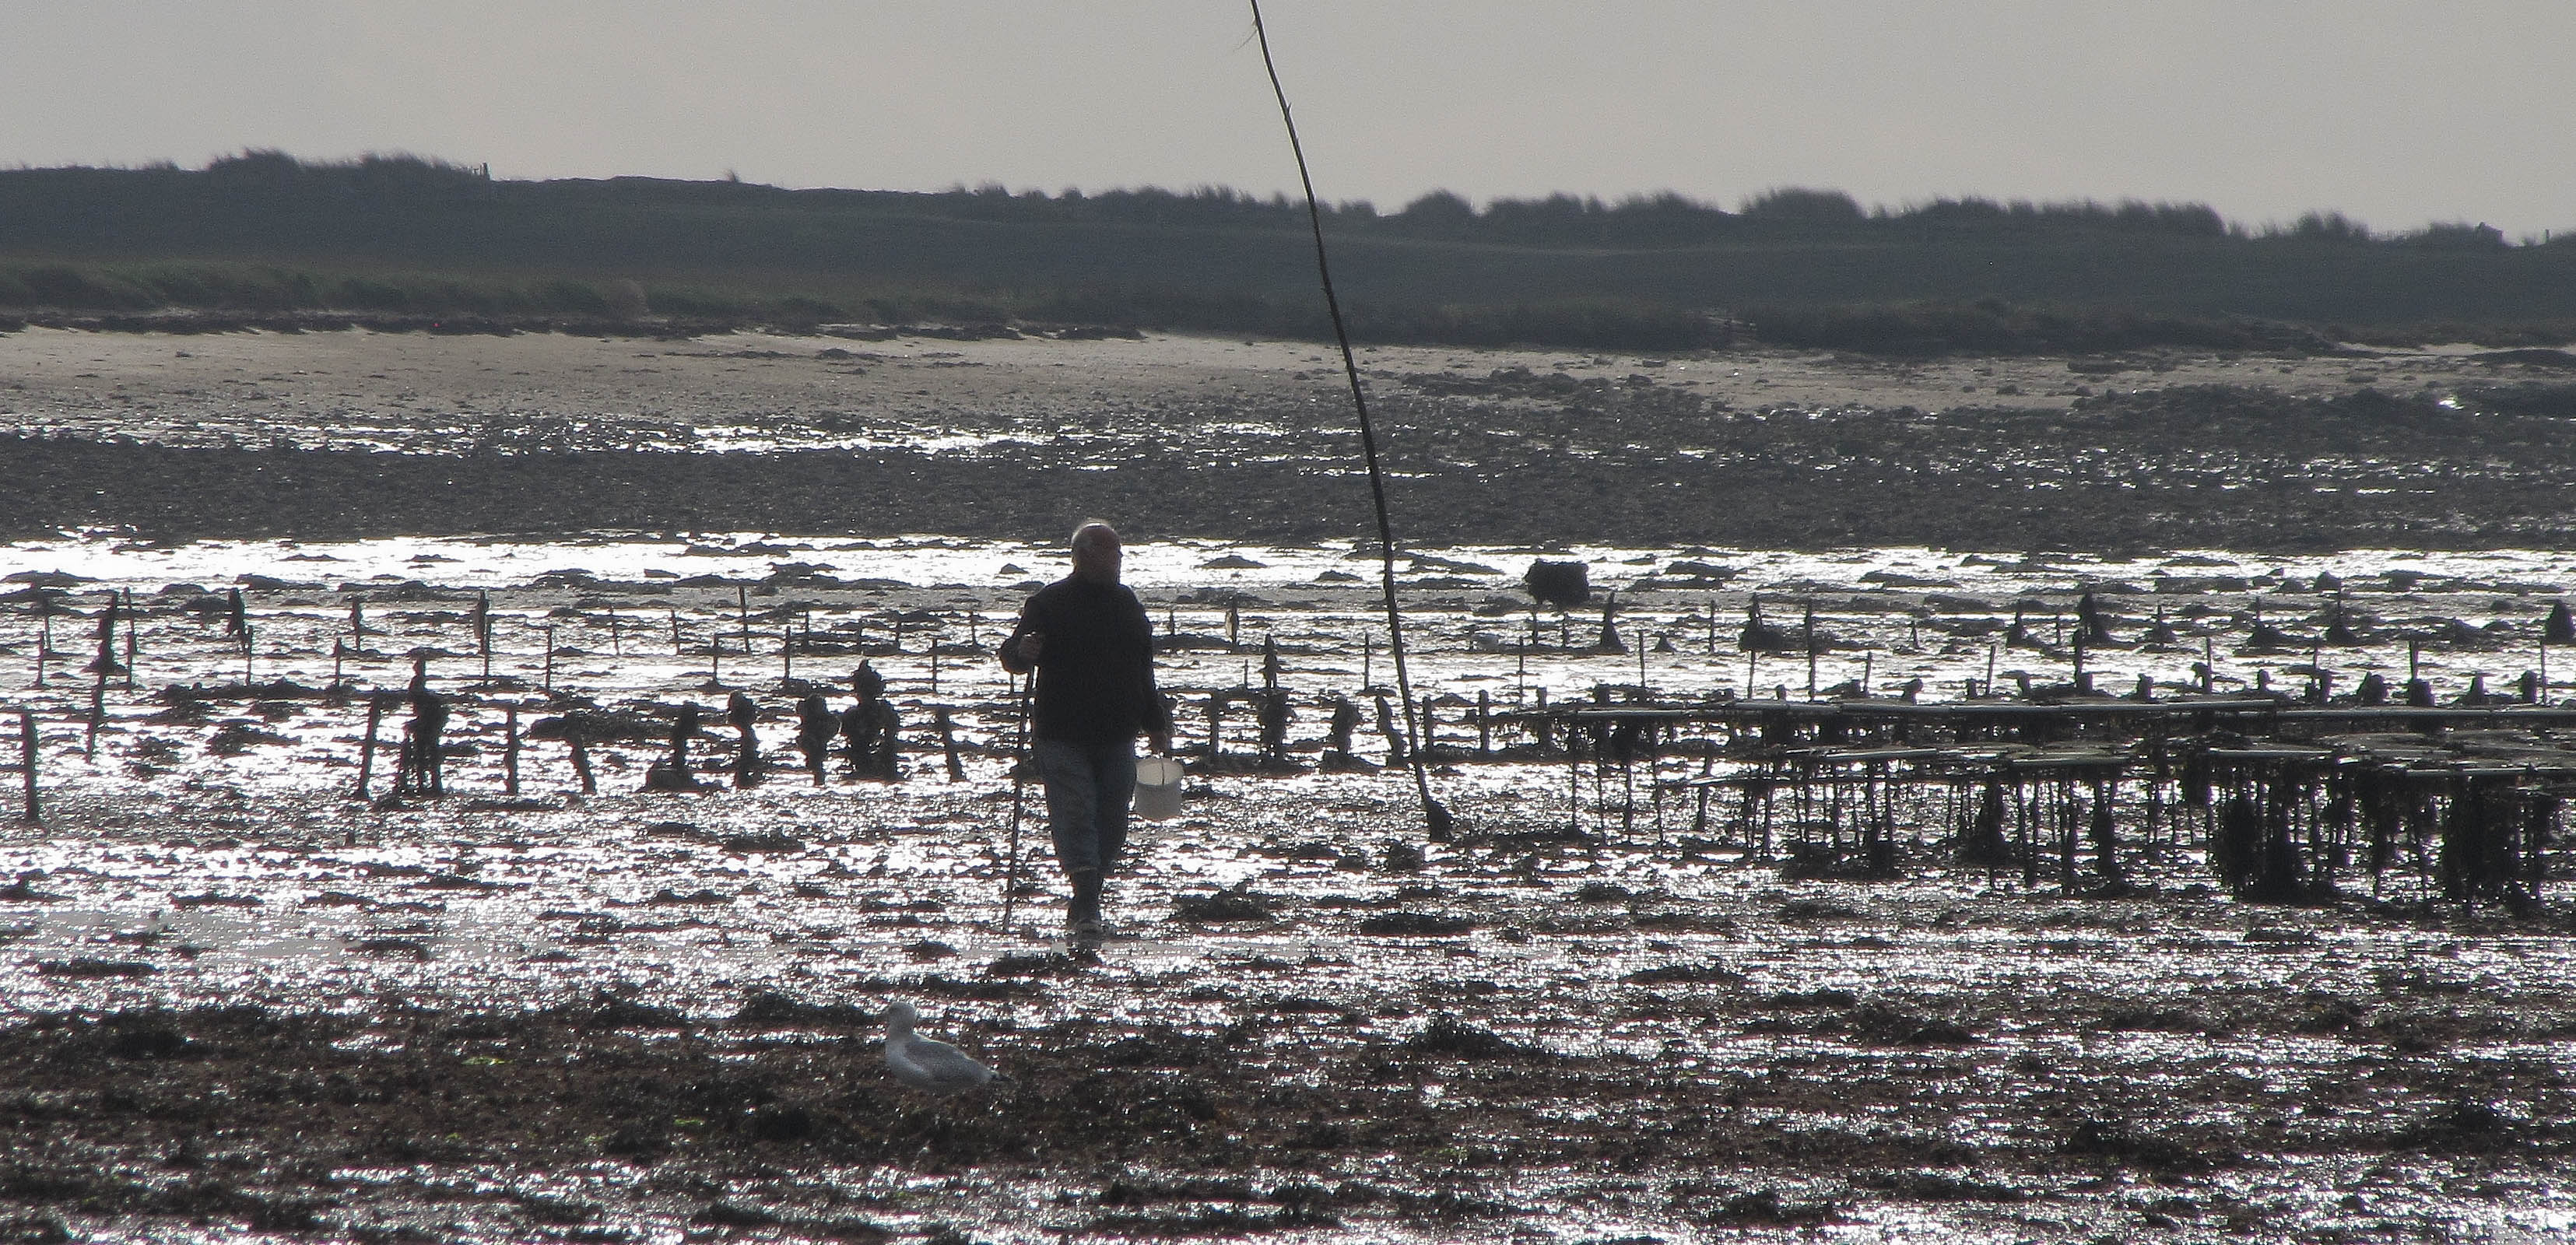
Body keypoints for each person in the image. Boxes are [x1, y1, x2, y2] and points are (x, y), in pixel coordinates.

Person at [998, 521, 1173, 940]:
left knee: (1112, 820)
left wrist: (1157, 721)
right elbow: (1014, 654)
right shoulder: (1050, 602)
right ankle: (1089, 904)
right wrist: (1022, 652)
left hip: (1118, 731)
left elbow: (1142, 669)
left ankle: (1084, 898)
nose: (1118, 562)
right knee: (1076, 814)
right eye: (1111, 554)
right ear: (1083, 556)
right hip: (1063, 732)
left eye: (1120, 555)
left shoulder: (1127, 603)